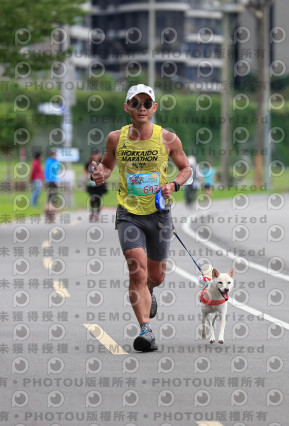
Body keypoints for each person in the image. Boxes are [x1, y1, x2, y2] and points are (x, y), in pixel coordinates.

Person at [90, 84, 192, 352]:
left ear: (155, 108)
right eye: (135, 103)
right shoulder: (115, 138)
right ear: (127, 108)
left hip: (158, 214)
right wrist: (99, 174)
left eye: (147, 103)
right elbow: (108, 165)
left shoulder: (168, 139)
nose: (142, 108)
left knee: (155, 276)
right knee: (137, 268)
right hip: (128, 214)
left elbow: (185, 168)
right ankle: (146, 331)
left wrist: (174, 185)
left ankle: (149, 291)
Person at [84, 147, 108, 222]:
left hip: (100, 184)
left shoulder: (102, 162)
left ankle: (97, 213)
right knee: (92, 198)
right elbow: (85, 171)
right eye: (93, 154)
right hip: (91, 184)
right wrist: (88, 176)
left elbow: (106, 171)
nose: (95, 156)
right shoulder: (89, 163)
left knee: (99, 198)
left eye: (96, 154)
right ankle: (92, 212)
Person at [44, 148, 61, 222]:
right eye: (53, 154)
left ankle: (51, 212)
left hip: (55, 181)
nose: (54, 155)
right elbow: (46, 172)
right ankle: (49, 212)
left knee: (53, 197)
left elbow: (58, 172)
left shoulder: (56, 162)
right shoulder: (49, 161)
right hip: (50, 181)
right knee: (51, 196)